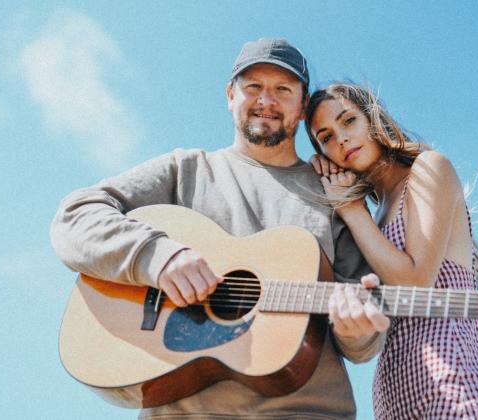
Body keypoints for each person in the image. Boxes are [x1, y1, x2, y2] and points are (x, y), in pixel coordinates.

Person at [50, 39, 389, 419]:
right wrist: (157, 257)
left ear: (302, 105)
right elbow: (75, 215)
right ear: (230, 95)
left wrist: (356, 327)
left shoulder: (334, 192)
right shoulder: (186, 169)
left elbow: (363, 344)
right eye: (253, 87)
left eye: (282, 89)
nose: (267, 100)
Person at [305, 83, 478, 419]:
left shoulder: (429, 169)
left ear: (373, 119)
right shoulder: (376, 218)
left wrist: (353, 210)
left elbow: (415, 284)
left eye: (348, 121)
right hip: (393, 392)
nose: (340, 138)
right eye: (326, 137)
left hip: (454, 382)